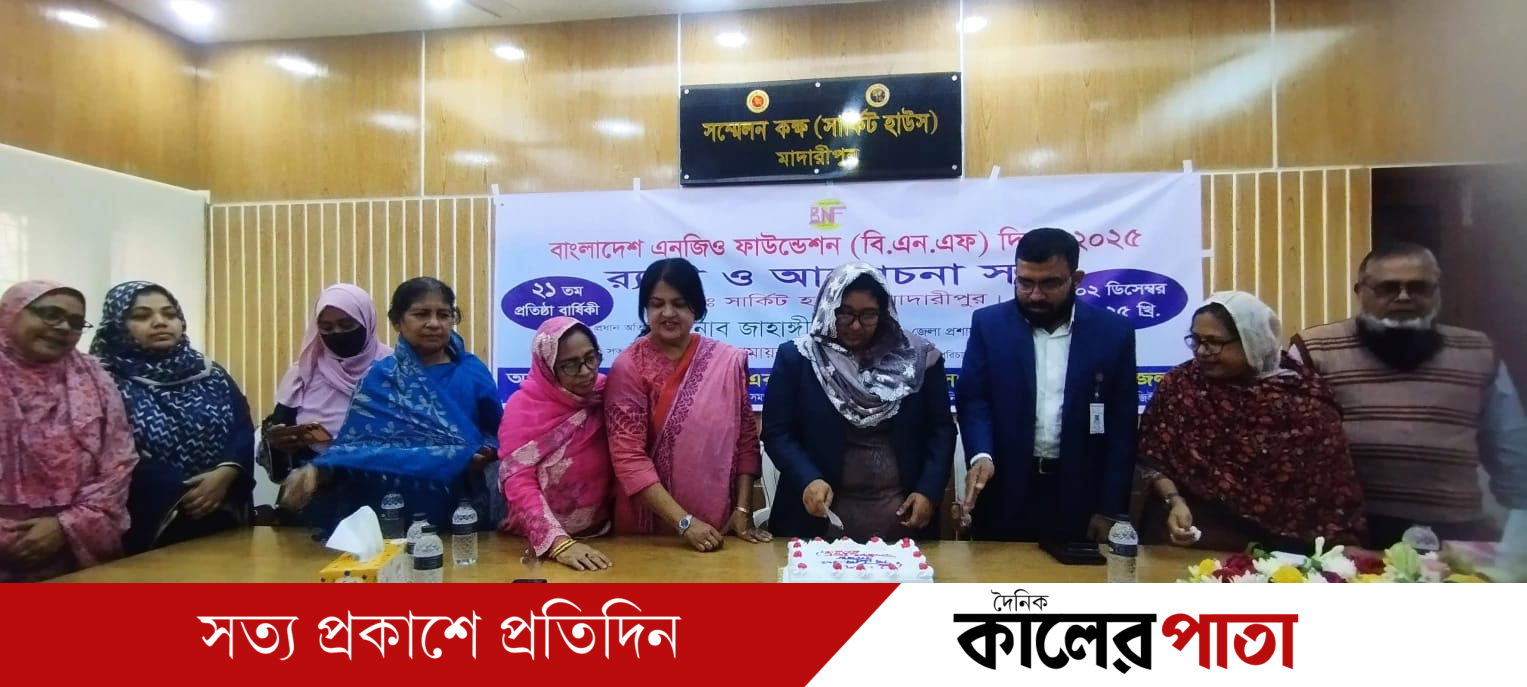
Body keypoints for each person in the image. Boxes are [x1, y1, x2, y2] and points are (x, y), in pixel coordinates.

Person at [1291, 242, 1527, 547]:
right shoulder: (1315, 350)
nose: (1403, 297)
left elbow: (1511, 450)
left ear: (1437, 292)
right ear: (1360, 292)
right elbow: (1290, 449)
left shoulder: (1478, 352)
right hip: (1351, 537)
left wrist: (1518, 534)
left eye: (1418, 287)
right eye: (1387, 288)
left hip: (1454, 538)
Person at [1137, 291, 1367, 552]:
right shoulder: (1181, 386)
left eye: (1214, 342)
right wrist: (1174, 501)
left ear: (1253, 339)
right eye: (1196, 340)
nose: (1201, 351)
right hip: (1194, 536)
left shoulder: (1303, 398)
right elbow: (1153, 458)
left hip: (1285, 552)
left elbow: (1330, 490)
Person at [278, 277, 503, 535]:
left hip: (460, 506)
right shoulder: (379, 377)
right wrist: (319, 469)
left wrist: (484, 453)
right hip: (388, 509)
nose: (434, 323)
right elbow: (355, 447)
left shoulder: (472, 372)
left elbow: (497, 432)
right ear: (397, 321)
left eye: (444, 315)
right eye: (421, 314)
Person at [956, 228, 1137, 543]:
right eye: (1025, 282)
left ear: (1076, 279)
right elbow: (974, 400)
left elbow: (1121, 430)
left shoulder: (1113, 334)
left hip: (1080, 498)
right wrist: (981, 455)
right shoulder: (989, 325)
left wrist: (1110, 509)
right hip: (1004, 494)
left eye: (1050, 283)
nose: (1036, 295)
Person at [761, 263, 955, 540]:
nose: (855, 325)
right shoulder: (799, 359)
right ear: (829, 308)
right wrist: (807, 478)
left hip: (903, 519)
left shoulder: (917, 361)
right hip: (817, 519)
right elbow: (777, 433)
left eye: (868, 315)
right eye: (845, 313)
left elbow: (942, 430)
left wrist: (929, 491)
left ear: (884, 313)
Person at [605, 258, 769, 552]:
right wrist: (685, 523)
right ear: (645, 308)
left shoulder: (726, 361)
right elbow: (628, 459)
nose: (668, 313)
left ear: (697, 307)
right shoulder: (629, 367)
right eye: (657, 304)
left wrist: (743, 511)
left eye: (679, 304)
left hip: (718, 529)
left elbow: (746, 440)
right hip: (649, 534)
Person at [91, 281, 255, 554]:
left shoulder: (210, 374)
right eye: (142, 316)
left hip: (222, 509)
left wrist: (227, 473)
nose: (160, 322)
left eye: (170, 314)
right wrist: (180, 489)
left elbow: (241, 427)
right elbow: (106, 452)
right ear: (116, 325)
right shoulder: (98, 380)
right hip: (146, 520)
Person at [1, 281, 138, 582]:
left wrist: (67, 525)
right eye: (51, 314)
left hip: (73, 550)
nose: (64, 327)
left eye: (76, 322)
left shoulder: (95, 378)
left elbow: (118, 462)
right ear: (9, 313)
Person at [499, 317, 613, 571]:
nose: (586, 371)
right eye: (570, 365)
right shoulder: (523, 408)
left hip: (603, 538)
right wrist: (558, 543)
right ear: (547, 368)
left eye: (591, 358)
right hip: (533, 545)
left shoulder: (606, 394)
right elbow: (517, 480)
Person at [261, 284, 391, 483]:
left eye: (346, 325)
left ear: (367, 321)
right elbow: (279, 436)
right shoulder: (304, 371)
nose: (337, 333)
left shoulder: (393, 368)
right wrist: (279, 443)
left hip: (381, 480)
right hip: (312, 485)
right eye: (326, 328)